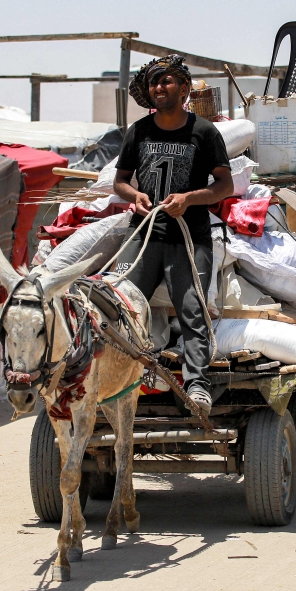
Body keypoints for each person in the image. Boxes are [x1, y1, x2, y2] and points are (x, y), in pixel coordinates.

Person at [113, 55, 234, 414]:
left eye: (166, 81)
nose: (159, 88)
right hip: (144, 236)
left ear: (184, 89)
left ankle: (197, 385)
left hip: (189, 238)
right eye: (154, 83)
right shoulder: (138, 131)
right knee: (120, 308)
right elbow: (120, 181)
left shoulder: (204, 132)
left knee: (192, 311)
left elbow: (225, 185)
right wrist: (134, 196)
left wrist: (190, 199)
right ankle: (122, 381)